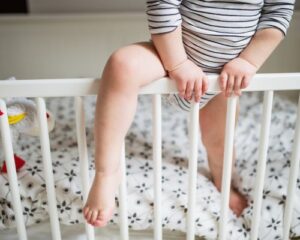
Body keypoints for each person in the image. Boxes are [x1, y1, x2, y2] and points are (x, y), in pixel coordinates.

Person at [83, 0, 295, 227]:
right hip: (168, 57)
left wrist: (248, 61)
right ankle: (106, 173)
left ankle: (224, 182)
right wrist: (178, 64)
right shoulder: (172, 60)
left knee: (219, 141)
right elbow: (162, 4)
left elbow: (277, 13)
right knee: (121, 64)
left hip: (223, 75)